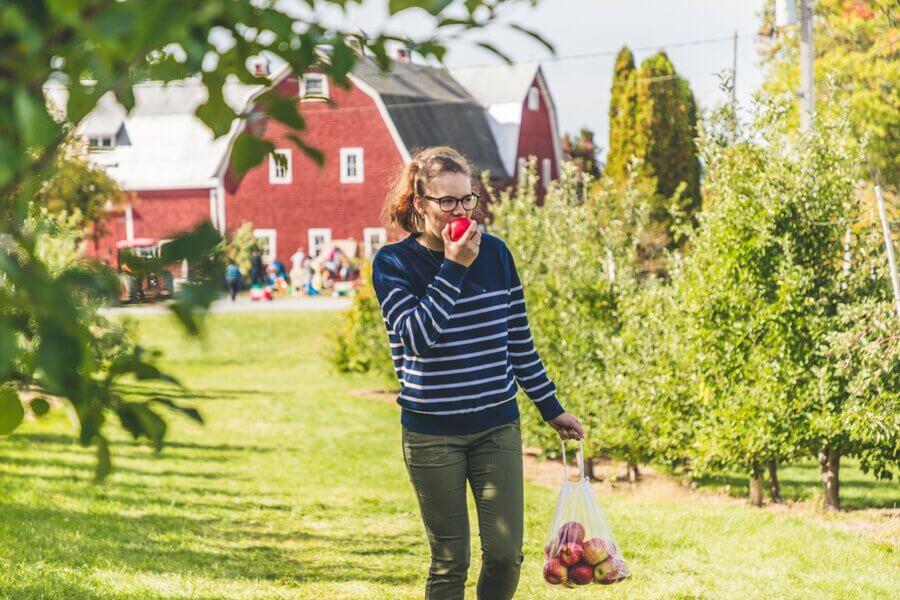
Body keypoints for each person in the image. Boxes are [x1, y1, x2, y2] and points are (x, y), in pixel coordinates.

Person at [371, 146, 585, 600]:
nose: (459, 211)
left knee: (507, 556)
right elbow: (416, 337)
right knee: (451, 562)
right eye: (446, 201)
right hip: (431, 434)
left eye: (467, 199)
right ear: (419, 203)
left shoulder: (497, 255)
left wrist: (551, 408)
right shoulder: (393, 264)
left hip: (496, 426)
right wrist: (453, 267)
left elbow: (518, 342)